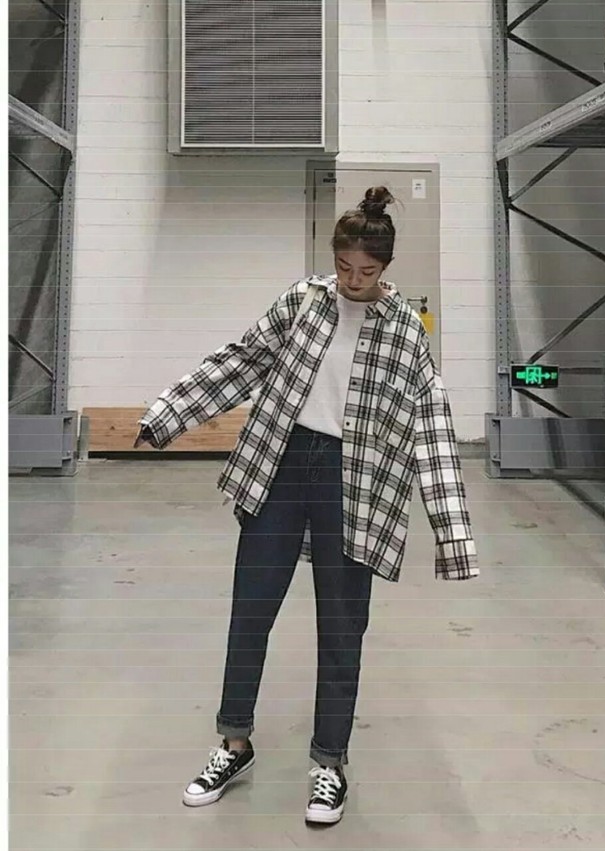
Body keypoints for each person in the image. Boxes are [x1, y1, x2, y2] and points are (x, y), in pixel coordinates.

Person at [135, 186, 479, 825]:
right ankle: (233, 742)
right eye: (344, 266)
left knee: (342, 624)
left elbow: (431, 423)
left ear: (385, 268)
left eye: (366, 271)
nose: (353, 280)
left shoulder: (405, 330)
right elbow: (240, 361)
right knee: (251, 609)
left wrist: (452, 534)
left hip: (356, 478)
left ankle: (330, 763)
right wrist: (168, 414)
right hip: (283, 464)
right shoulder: (303, 301)